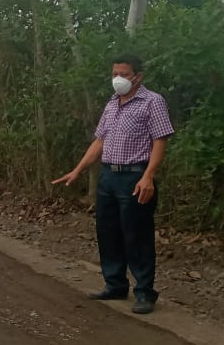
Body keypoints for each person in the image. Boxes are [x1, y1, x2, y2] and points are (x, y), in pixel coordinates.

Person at [53, 55, 174, 314]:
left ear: (138, 76)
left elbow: (160, 140)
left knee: (137, 235)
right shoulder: (112, 104)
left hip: (135, 176)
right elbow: (100, 141)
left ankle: (144, 292)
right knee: (107, 232)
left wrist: (148, 176)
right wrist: (77, 170)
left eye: (124, 74)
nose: (118, 79)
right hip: (108, 176)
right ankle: (115, 284)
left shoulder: (152, 101)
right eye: (114, 74)